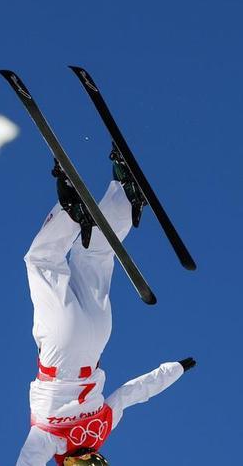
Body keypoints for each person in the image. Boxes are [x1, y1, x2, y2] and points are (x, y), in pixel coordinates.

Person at [16, 151, 196, 466]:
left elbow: (133, 392)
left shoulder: (102, 429)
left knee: (96, 254)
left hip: (97, 339)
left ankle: (126, 194)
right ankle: (71, 211)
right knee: (42, 262)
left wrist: (176, 369)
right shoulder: (51, 440)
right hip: (61, 350)